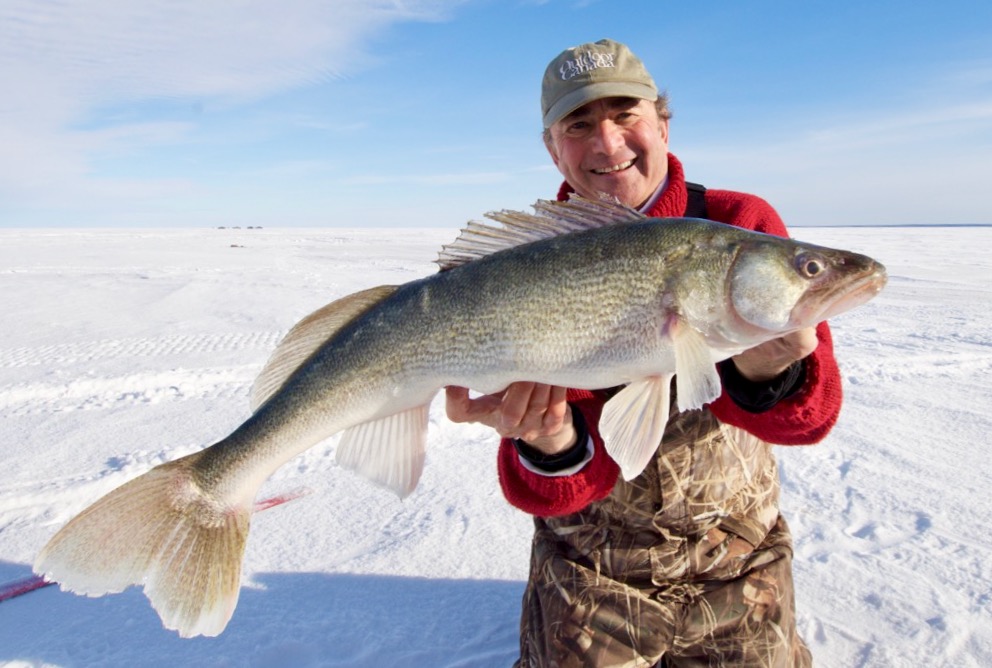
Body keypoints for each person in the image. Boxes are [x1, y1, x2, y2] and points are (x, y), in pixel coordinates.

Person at [446, 39, 840, 667]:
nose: (607, 143)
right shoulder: (532, 268)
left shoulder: (739, 224)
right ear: (552, 147)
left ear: (662, 121)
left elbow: (808, 420)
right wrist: (549, 444)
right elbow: (561, 490)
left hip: (738, 561)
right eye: (579, 124)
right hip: (590, 570)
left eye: (626, 114)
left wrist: (775, 374)